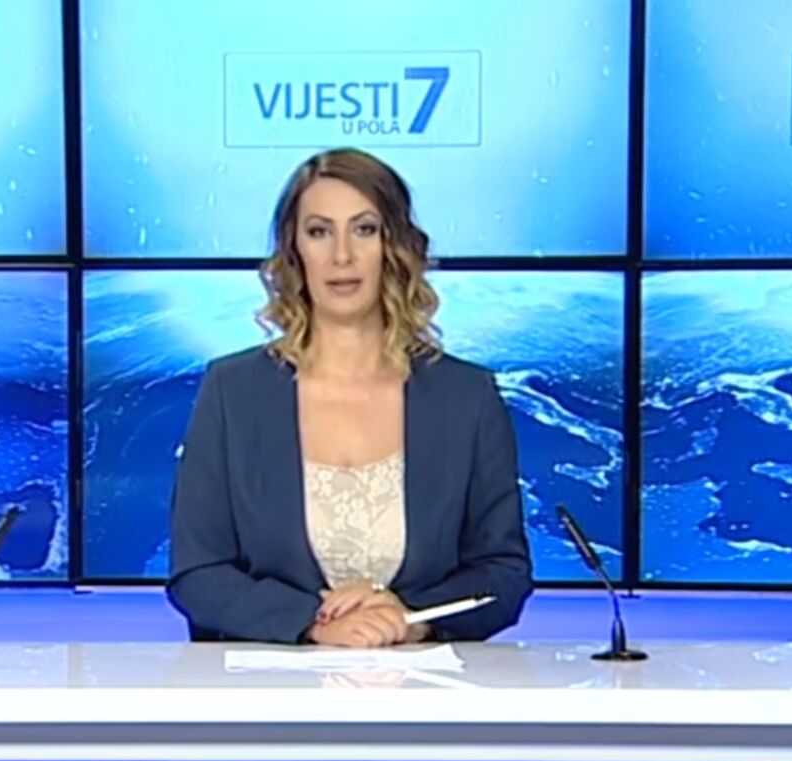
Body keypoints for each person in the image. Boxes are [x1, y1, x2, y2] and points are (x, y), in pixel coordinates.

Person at [167, 148, 533, 646]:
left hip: (421, 685)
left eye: (364, 229)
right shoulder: (232, 391)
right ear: (295, 250)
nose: (342, 256)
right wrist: (317, 623)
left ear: (394, 246)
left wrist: (411, 618)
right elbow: (197, 573)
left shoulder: (467, 397)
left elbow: (503, 575)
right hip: (268, 686)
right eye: (319, 231)